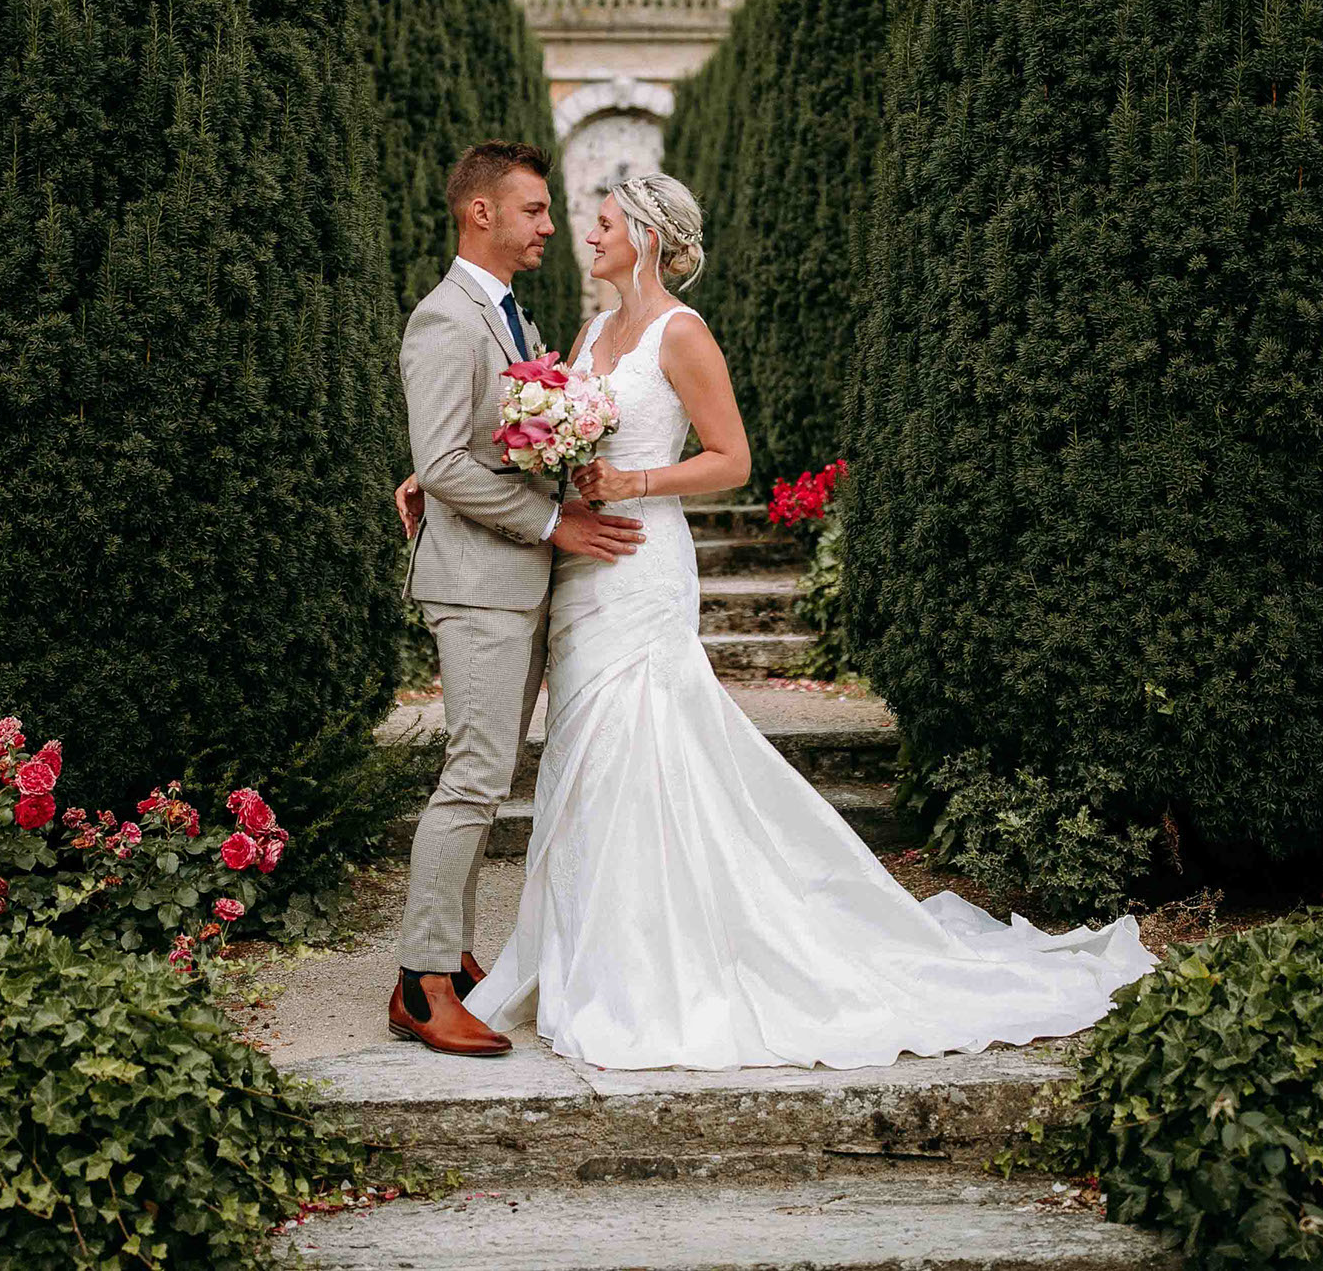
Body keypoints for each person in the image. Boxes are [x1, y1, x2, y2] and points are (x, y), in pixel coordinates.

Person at [462, 172, 1158, 1069]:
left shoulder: (683, 334)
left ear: (644, 233)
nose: (588, 237)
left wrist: (634, 480)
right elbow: (547, 435)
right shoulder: (595, 331)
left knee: (646, 739)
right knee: (586, 747)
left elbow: (732, 459)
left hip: (643, 564)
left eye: (602, 225)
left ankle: (652, 962)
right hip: (583, 570)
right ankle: (586, 947)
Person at [388, 141, 646, 1057]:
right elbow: (447, 460)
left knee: (489, 776)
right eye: (534, 210)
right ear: (481, 214)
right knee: (473, 776)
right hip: (480, 586)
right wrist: (554, 525)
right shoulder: (444, 319)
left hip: (518, 583)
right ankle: (422, 985)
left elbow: (490, 444)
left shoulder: (513, 319)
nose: (549, 225)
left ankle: (452, 958)